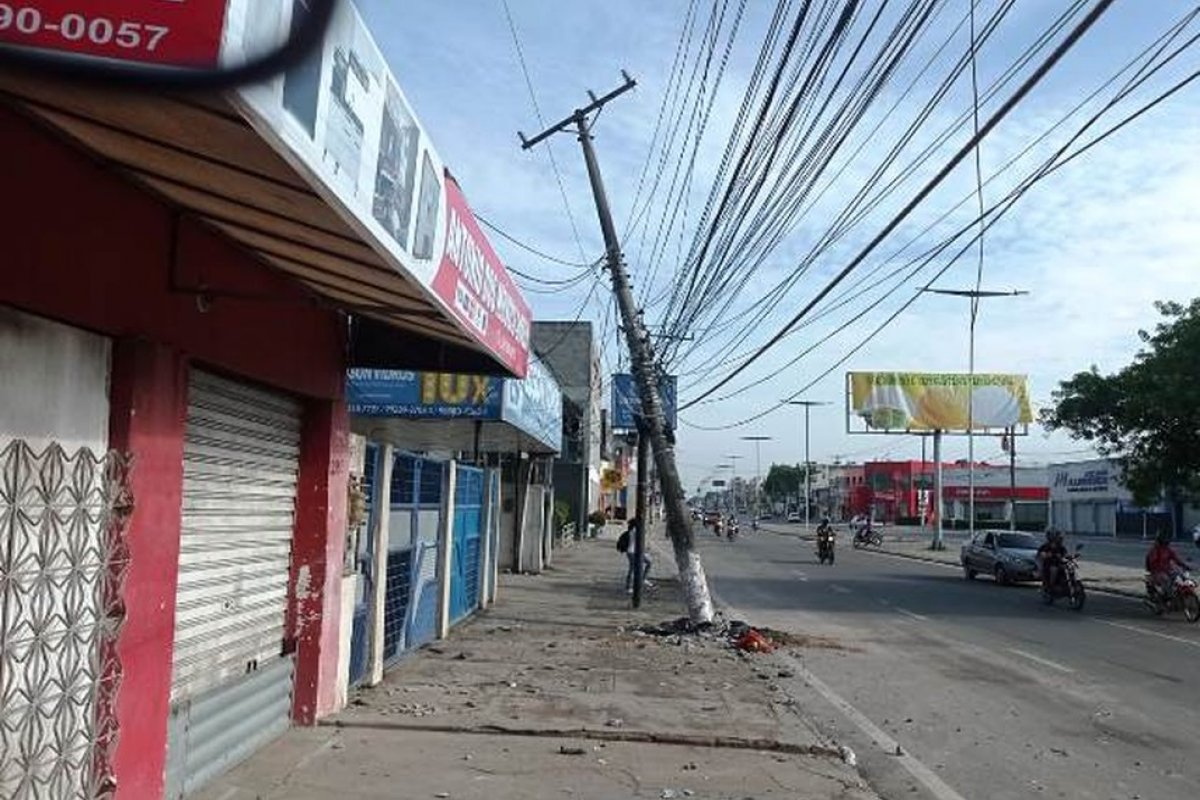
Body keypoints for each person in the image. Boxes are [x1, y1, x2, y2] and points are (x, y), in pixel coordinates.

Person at [1146, 530, 1189, 600]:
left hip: (1167, 570)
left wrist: (1185, 566)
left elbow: (1176, 559)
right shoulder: (1154, 550)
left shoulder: (1168, 550)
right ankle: (1165, 598)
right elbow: (1152, 563)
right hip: (1157, 572)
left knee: (1180, 576)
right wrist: (1159, 569)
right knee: (1166, 580)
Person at [618, 517, 652, 594]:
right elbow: (640, 540)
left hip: (633, 552)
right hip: (633, 552)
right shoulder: (635, 531)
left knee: (647, 563)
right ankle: (629, 586)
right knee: (633, 569)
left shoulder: (632, 530)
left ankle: (642, 579)